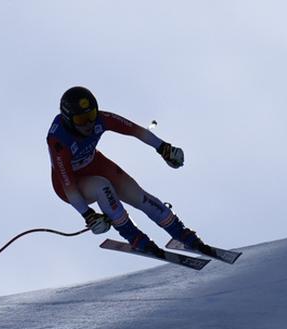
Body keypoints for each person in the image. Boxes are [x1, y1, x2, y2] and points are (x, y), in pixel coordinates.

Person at [46, 86, 216, 258]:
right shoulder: (58, 140)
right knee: (102, 187)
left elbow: (135, 130)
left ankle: (181, 233)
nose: (88, 123)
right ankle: (134, 236)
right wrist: (88, 214)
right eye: (81, 119)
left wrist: (163, 148)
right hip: (69, 183)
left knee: (138, 195)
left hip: (94, 163)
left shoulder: (101, 119)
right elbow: (67, 184)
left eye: (91, 115)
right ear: (68, 119)